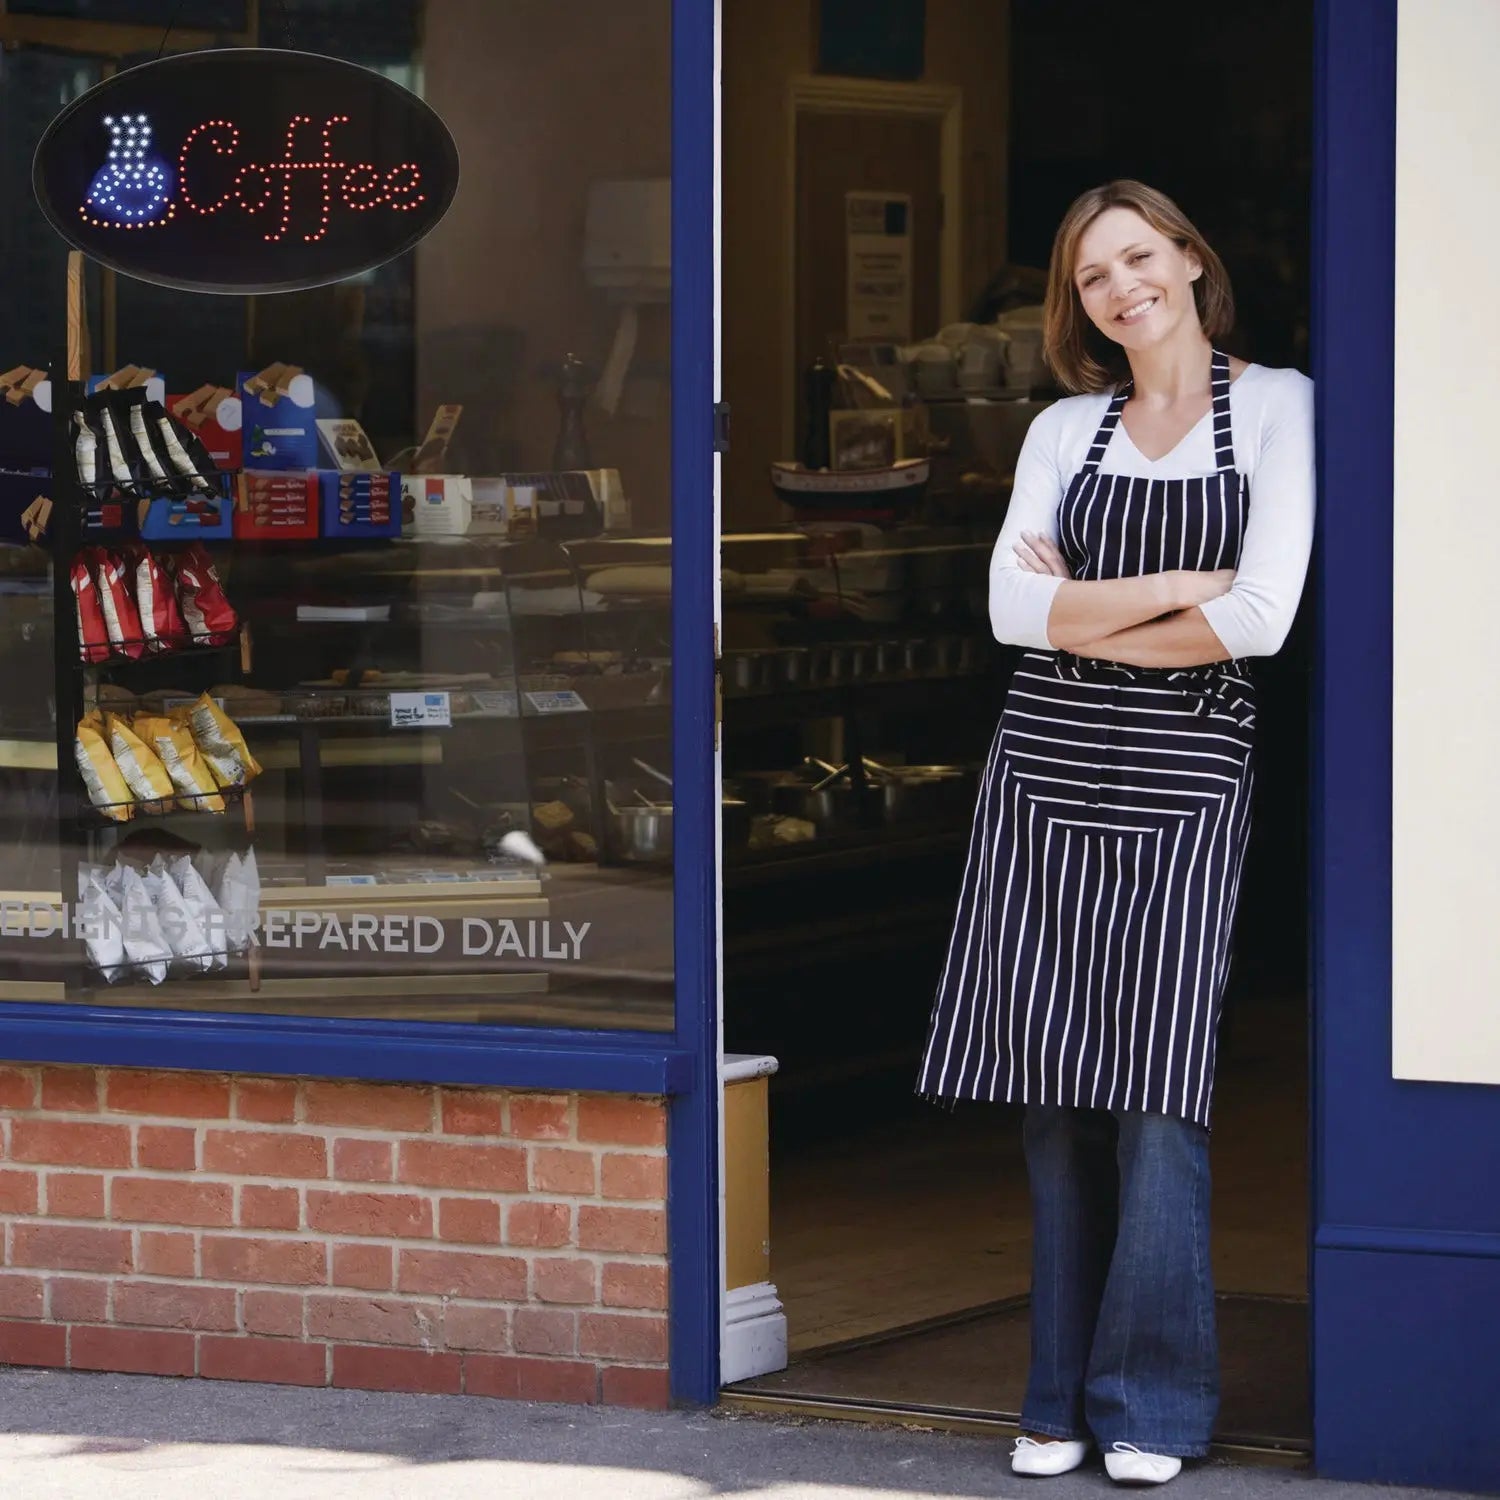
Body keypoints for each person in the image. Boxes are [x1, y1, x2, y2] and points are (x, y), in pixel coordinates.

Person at [916, 180, 1314, 1485]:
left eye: (1139, 258)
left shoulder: (1278, 406)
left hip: (1189, 774)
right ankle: (1057, 1402)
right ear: (1075, 302)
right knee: (1051, 1092)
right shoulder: (1062, 428)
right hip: (1040, 772)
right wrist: (1181, 584)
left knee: (1155, 1095)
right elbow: (1007, 616)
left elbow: (1261, 620)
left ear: (1190, 259)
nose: (1122, 288)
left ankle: (1151, 1405)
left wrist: (1084, 612)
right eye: (1093, 276)